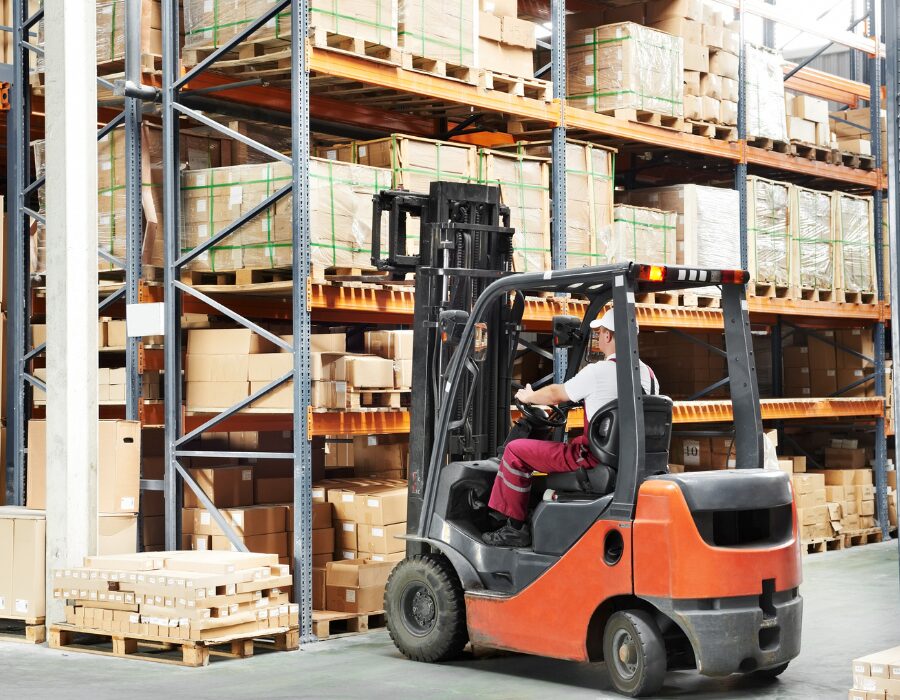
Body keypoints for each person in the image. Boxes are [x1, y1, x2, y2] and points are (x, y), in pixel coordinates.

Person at [482, 308, 659, 547]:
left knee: (515, 450)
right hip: (631, 462)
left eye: (601, 333)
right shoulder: (649, 375)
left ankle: (514, 528)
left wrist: (529, 396)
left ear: (607, 336)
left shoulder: (598, 372)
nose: (599, 337)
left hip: (590, 459)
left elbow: (556, 393)